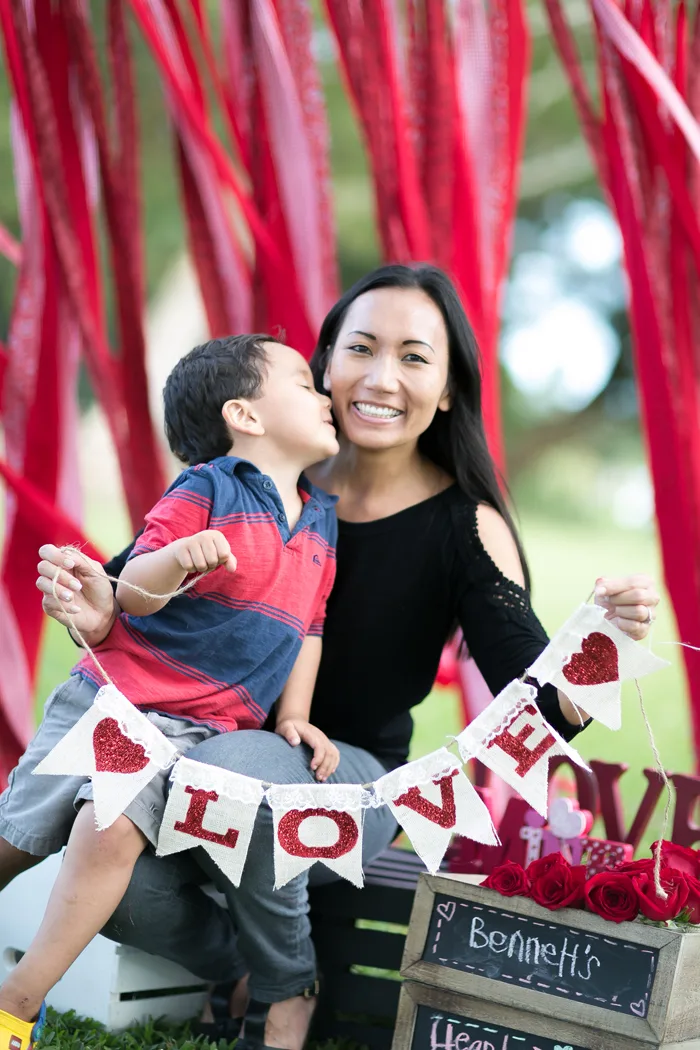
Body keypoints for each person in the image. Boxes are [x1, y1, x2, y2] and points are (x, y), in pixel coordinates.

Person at [27, 265, 659, 1050]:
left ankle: (289, 991)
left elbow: (533, 710)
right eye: (360, 348)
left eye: (415, 357)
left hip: (348, 787)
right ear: (323, 367)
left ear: (451, 389)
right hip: (195, 768)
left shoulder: (465, 528)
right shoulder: (260, 478)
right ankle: (240, 963)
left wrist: (597, 638)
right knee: (110, 863)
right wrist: (93, 601)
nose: (382, 377)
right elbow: (130, 594)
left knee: (237, 759)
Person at [0, 334, 341, 1050]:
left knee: (112, 824)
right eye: (306, 383)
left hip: (199, 734)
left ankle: (18, 1001)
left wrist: (298, 716)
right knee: (15, 839)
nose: (323, 395)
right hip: (113, 701)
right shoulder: (208, 487)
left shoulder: (320, 521)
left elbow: (309, 628)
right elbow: (133, 590)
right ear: (245, 414)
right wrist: (177, 561)